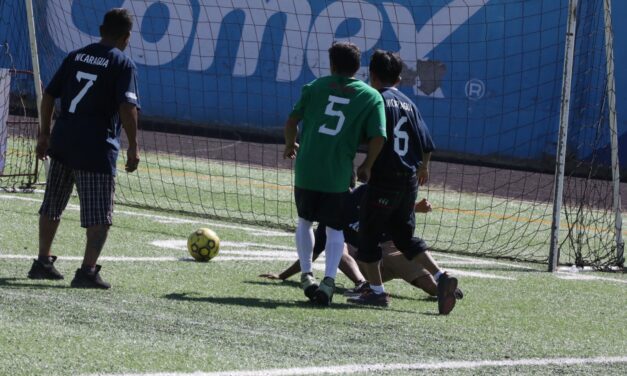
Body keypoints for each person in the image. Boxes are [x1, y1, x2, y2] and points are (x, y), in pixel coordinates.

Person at [27, 8, 140, 289]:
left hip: (63, 141)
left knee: (52, 204)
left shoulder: (75, 56)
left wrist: (44, 134)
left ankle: (42, 261)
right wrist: (133, 146)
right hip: (95, 148)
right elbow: (127, 107)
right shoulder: (121, 63)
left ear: (101, 30)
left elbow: (49, 95)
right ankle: (87, 271)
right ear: (126, 37)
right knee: (100, 214)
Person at [352, 50, 459, 314]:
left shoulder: (374, 99)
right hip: (408, 180)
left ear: (371, 74)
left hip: (385, 177)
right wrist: (424, 167)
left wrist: (366, 165)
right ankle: (440, 274)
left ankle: (376, 293)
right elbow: (427, 143)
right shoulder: (410, 104)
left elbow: (376, 136)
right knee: (404, 237)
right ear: (399, 78)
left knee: (367, 238)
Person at [283, 42, 387, 306]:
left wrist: (289, 144)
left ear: (331, 64)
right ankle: (329, 282)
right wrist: (367, 164)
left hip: (307, 168)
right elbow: (378, 137)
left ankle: (307, 275)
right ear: (357, 67)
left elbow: (292, 120)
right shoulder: (371, 96)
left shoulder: (314, 87)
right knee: (334, 228)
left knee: (305, 221)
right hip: (337, 173)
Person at [260, 185, 463, 301]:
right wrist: (282, 275)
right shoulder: (333, 217)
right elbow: (311, 253)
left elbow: (394, 206)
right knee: (336, 247)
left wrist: (413, 208)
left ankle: (445, 288)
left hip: (390, 251)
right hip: (367, 264)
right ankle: (362, 285)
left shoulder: (368, 194)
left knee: (432, 289)